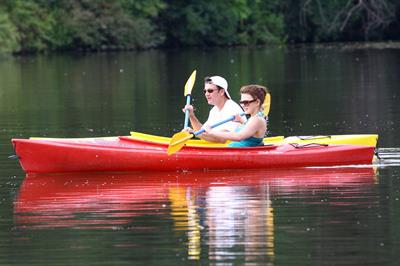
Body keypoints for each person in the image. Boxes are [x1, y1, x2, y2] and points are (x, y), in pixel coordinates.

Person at [183, 76, 246, 143]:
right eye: (205, 91)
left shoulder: (232, 109)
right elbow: (203, 131)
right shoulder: (214, 110)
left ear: (222, 92)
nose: (206, 94)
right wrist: (191, 116)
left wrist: (194, 133)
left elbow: (221, 139)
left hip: (236, 149)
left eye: (210, 91)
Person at [204, 84, 268, 147]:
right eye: (241, 102)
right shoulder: (255, 118)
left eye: (246, 102)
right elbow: (251, 131)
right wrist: (241, 121)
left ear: (257, 102)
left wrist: (211, 132)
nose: (242, 105)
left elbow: (238, 137)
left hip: (239, 154)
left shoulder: (256, 120)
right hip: (236, 152)